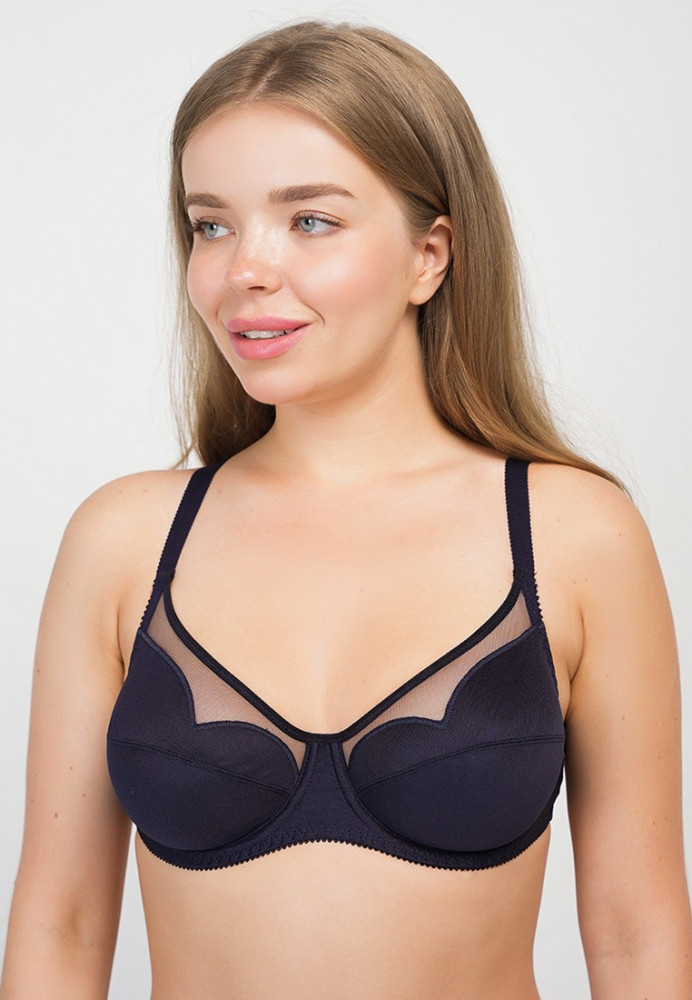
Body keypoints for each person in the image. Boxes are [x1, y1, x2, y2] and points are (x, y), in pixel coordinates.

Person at [1, 19, 690, 1000]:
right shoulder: (124, 542)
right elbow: (60, 928)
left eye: (310, 220)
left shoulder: (573, 536)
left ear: (429, 255)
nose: (245, 268)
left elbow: (634, 933)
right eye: (211, 224)